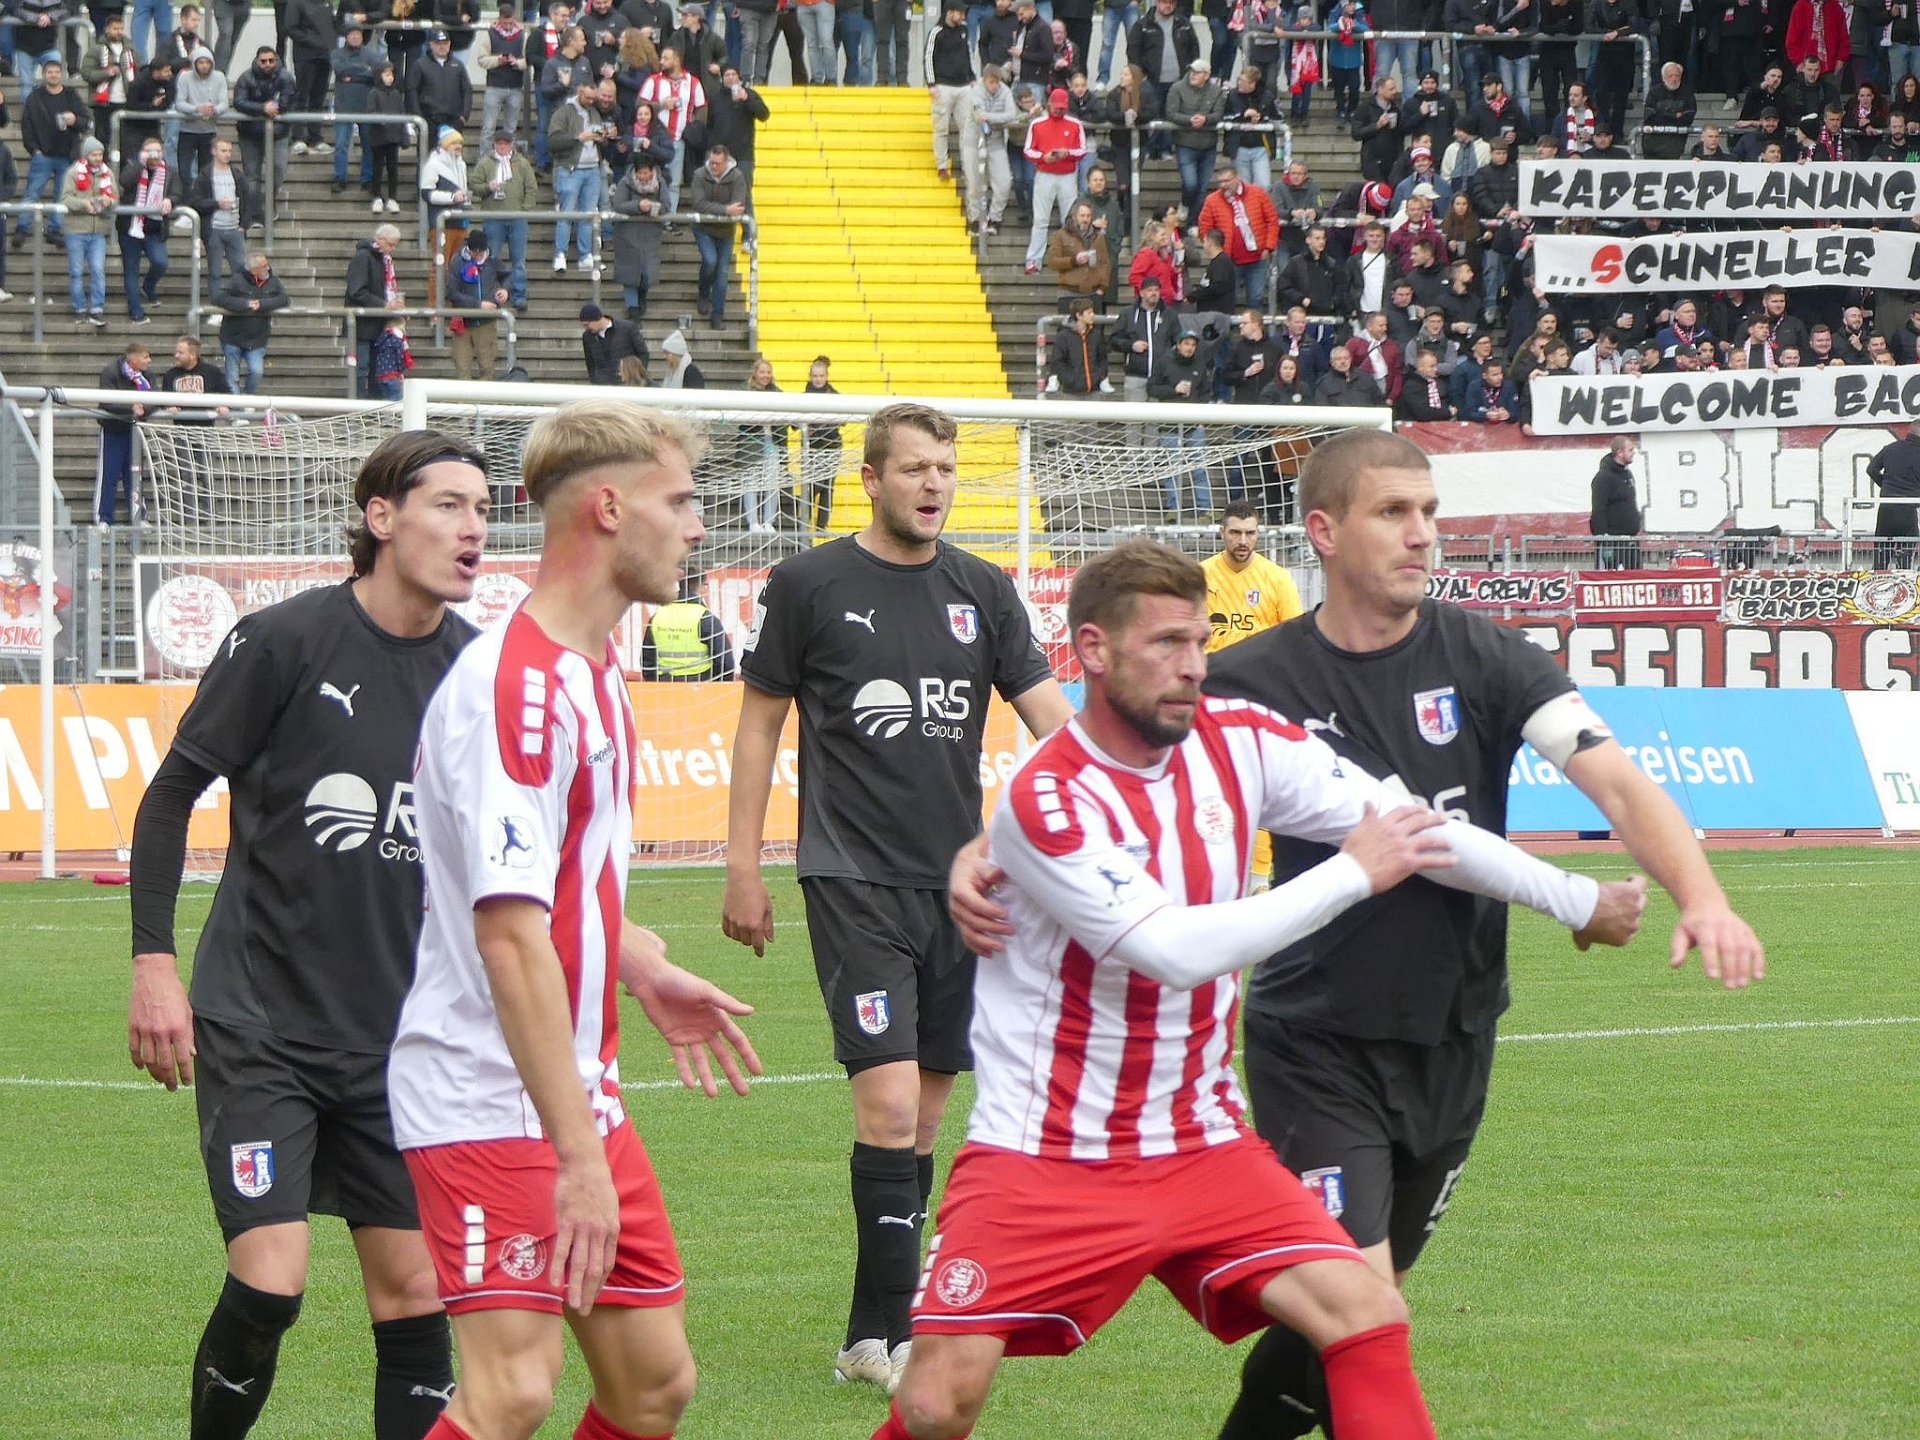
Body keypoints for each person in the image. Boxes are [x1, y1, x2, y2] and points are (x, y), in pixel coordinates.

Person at [886, 538, 1632, 1440]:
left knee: (1366, 1312)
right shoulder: (1049, 796)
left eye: (1201, 642)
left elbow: (1414, 832)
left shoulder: (1240, 739)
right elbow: (1169, 949)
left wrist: (1577, 898)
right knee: (935, 1405)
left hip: (1201, 1141)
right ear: (1093, 649)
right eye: (1166, 643)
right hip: (1046, 1152)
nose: (1193, 667)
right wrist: (1350, 875)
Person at [388, 401, 760, 1440]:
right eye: (679, 502)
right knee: (511, 1393)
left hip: (572, 1093)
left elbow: (558, 882)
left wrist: (636, 964)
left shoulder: (590, 666)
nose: (696, 527)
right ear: (608, 508)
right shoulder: (518, 691)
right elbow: (507, 937)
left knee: (653, 1386)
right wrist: (576, 1157)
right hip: (487, 1093)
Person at [125, 430, 494, 1440]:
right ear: (382, 518)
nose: (473, 528)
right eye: (449, 505)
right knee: (270, 1282)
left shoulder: (480, 673)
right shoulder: (283, 640)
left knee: (415, 1293)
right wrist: (154, 964)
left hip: (402, 1042)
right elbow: (171, 796)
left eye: (482, 508)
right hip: (263, 1022)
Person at [721, 402, 1074, 1396]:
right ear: (870, 479)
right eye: (915, 468)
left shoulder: (984, 590)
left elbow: (1052, 721)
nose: (934, 484)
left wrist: (1129, 790)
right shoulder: (810, 584)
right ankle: (917, 1336)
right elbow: (759, 725)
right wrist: (743, 864)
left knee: (918, 1125)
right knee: (884, 1108)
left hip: (959, 889)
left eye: (946, 469)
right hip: (852, 877)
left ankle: (864, 1336)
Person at [1203, 500, 1302, 887]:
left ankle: (1258, 881)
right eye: (1235, 532)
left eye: (1250, 533)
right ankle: (1212, 872)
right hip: (1210, 696)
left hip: (1259, 696)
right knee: (1211, 785)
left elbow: (1293, 639)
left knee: (1259, 787)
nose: (1243, 540)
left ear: (1258, 534)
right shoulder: (1200, 577)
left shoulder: (1276, 579)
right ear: (1222, 533)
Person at [687, 142, 748, 327]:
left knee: (722, 274)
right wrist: (725, 210)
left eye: (717, 163)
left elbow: (738, 205)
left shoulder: (737, 177)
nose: (713, 166)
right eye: (711, 162)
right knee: (710, 261)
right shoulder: (700, 174)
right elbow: (698, 203)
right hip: (703, 228)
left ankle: (717, 314)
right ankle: (704, 292)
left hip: (726, 231)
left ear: (726, 162)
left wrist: (720, 210)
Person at [119, 135, 175, 325]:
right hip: (130, 228)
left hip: (154, 229)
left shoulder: (169, 171)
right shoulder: (133, 165)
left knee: (160, 262)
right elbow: (124, 181)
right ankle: (136, 312)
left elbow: (178, 192)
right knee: (131, 270)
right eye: (150, 151)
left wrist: (170, 200)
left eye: (158, 151)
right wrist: (140, 164)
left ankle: (148, 287)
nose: (155, 155)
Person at [95, 340, 153, 522]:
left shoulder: (147, 375)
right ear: (133, 358)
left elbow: (155, 399)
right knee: (109, 475)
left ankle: (139, 517)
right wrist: (131, 409)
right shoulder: (111, 372)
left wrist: (144, 410)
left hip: (135, 430)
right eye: (145, 357)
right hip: (113, 430)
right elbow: (106, 402)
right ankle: (104, 519)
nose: (149, 361)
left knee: (134, 474)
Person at [61, 135, 115, 327]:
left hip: (97, 231)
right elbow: (66, 199)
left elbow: (115, 198)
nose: (98, 158)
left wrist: (108, 202)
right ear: (86, 155)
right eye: (94, 155)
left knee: (98, 269)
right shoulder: (73, 172)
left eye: (100, 154)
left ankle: (97, 309)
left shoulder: (107, 173)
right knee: (76, 271)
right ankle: (80, 308)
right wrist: (83, 204)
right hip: (75, 230)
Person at [216, 249, 286, 394]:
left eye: (267, 264)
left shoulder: (273, 281)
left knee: (256, 372)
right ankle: (236, 405)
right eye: (263, 266)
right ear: (254, 270)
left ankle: (247, 396)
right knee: (232, 377)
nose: (268, 268)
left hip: (257, 338)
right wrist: (245, 304)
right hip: (233, 337)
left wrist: (262, 304)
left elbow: (284, 299)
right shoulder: (236, 281)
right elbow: (221, 298)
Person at [641, 577, 738, 680]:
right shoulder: (705, 617)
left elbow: (647, 661)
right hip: (701, 685)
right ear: (701, 586)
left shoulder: (657, 617)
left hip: (665, 684)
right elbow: (725, 662)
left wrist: (658, 683)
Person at [1865, 424, 1920, 566]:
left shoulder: (1891, 448)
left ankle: (1878, 577)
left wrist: (1885, 485)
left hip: (1887, 507)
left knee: (1881, 556)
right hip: (1909, 509)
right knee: (1906, 558)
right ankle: (1904, 576)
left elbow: (1871, 469)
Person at [800, 355, 843, 531]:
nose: (818, 379)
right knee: (812, 485)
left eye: (821, 376)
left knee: (827, 486)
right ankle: (805, 520)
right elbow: (794, 424)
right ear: (810, 377)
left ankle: (821, 526)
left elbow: (842, 420)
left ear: (827, 376)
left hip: (831, 446)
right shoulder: (803, 397)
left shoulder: (834, 395)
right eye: (815, 376)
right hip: (811, 448)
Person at [1590, 434, 1643, 569]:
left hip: (1630, 540)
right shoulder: (1603, 478)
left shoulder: (1627, 474)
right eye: (1630, 450)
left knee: (1635, 577)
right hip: (1612, 542)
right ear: (1620, 453)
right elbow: (1598, 510)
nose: (1634, 452)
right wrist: (1603, 539)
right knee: (1612, 578)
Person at [578, 300, 647, 383]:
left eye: (587, 324)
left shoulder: (627, 328)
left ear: (597, 319)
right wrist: (595, 380)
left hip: (627, 382)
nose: (585, 328)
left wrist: (637, 376)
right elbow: (590, 363)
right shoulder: (587, 336)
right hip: (602, 384)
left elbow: (643, 353)